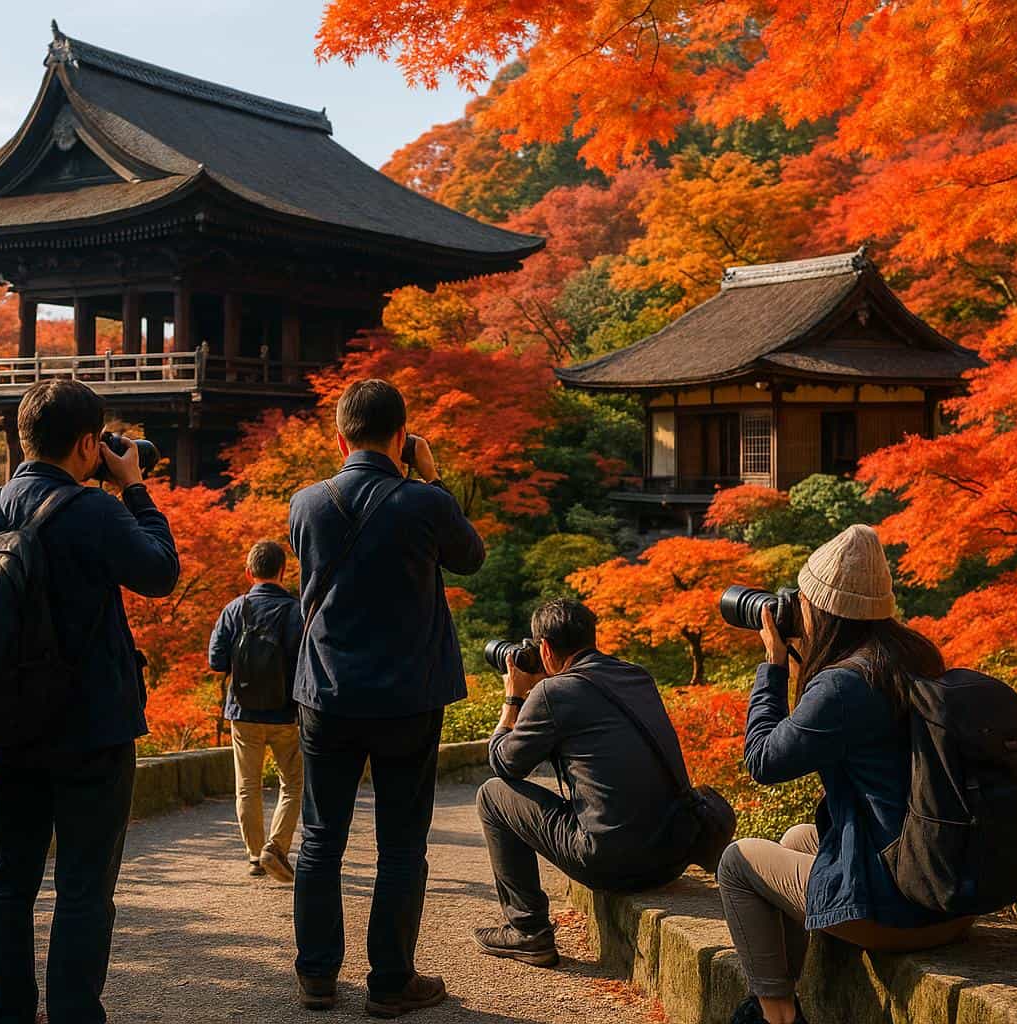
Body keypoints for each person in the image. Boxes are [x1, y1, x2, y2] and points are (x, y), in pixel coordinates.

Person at [0, 380, 179, 1024]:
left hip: (10, 718)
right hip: (93, 721)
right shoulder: (94, 511)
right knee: (84, 883)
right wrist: (133, 487)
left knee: (11, 875)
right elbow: (160, 573)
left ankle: (9, 1012)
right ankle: (75, 1013)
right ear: (88, 443)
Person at [716, 525, 975, 1024]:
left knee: (735, 863)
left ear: (822, 609)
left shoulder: (844, 684)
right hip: (946, 894)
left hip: (899, 912)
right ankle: (786, 991)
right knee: (795, 838)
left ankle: (776, 1015)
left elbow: (763, 761)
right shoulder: (912, 656)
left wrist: (773, 663)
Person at [288, 378, 486, 1019]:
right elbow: (471, 557)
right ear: (403, 437)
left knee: (321, 837)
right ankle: (390, 981)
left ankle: (317, 976)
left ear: (339, 437)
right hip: (408, 695)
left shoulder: (306, 504)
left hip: (327, 692)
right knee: (402, 843)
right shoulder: (423, 504)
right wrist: (431, 478)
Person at [475, 598, 698, 968]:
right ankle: (528, 931)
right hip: (673, 856)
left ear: (544, 647)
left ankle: (528, 931)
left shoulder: (553, 694)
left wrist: (513, 697)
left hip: (612, 863)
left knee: (492, 795)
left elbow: (504, 763)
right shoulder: (636, 675)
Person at [208, 539, 306, 882]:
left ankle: (253, 855)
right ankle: (275, 848)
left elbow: (216, 661)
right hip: (285, 715)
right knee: (293, 785)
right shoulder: (297, 610)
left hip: (243, 712)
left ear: (250, 572)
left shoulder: (235, 609)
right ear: (283, 571)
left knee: (247, 786)